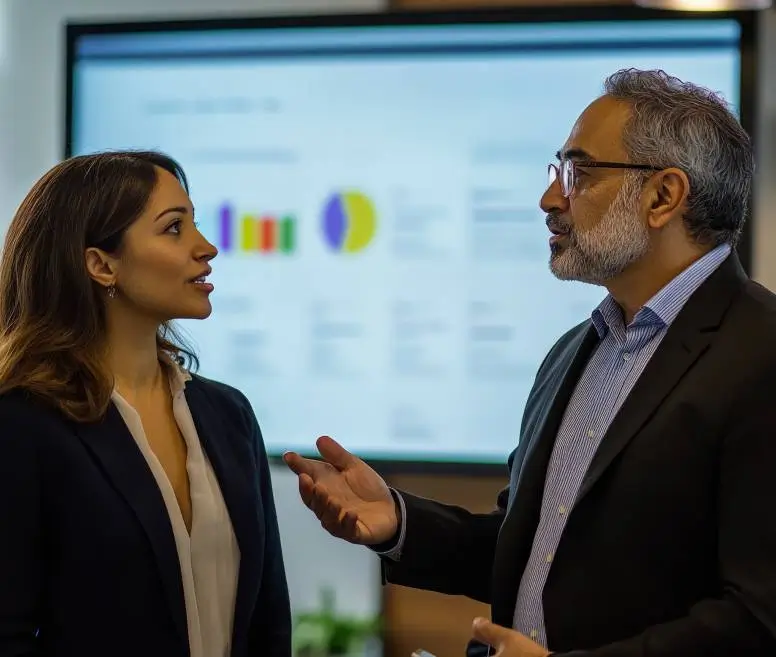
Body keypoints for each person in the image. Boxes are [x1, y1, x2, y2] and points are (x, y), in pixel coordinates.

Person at [283, 68, 776, 657]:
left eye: (579, 172)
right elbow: (532, 552)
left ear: (664, 196)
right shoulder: (575, 350)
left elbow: (758, 618)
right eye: (555, 172)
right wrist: (396, 522)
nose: (550, 199)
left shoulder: (761, 353)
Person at [0, 151, 292, 657]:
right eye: (174, 229)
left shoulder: (230, 417)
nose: (207, 248)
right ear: (100, 264)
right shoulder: (21, 423)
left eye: (195, 224)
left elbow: (269, 624)